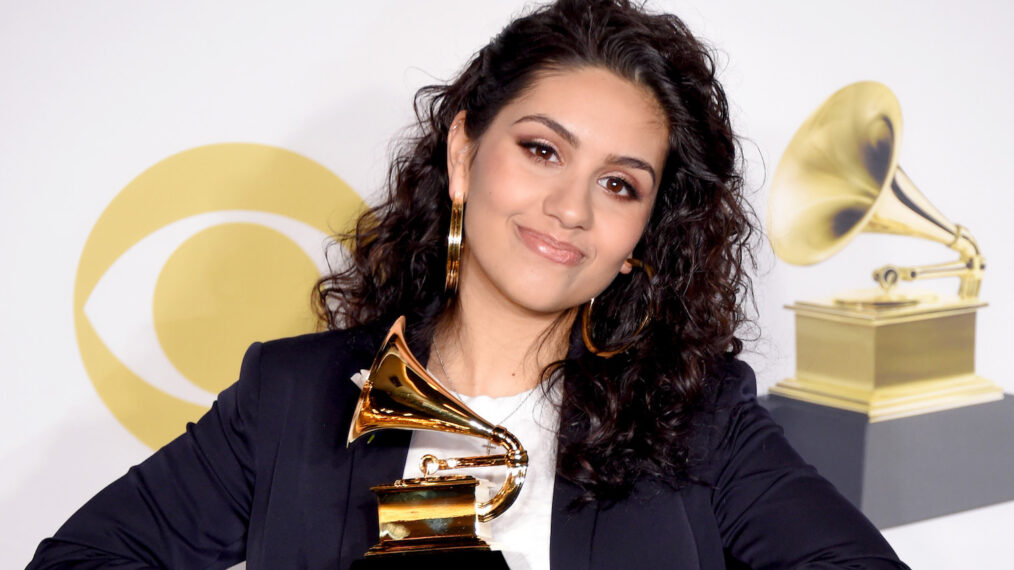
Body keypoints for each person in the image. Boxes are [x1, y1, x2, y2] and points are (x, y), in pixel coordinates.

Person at [29, 0, 909, 568]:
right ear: (462, 155)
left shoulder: (703, 422)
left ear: (644, 235)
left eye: (619, 184)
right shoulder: (290, 397)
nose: (569, 208)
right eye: (542, 150)